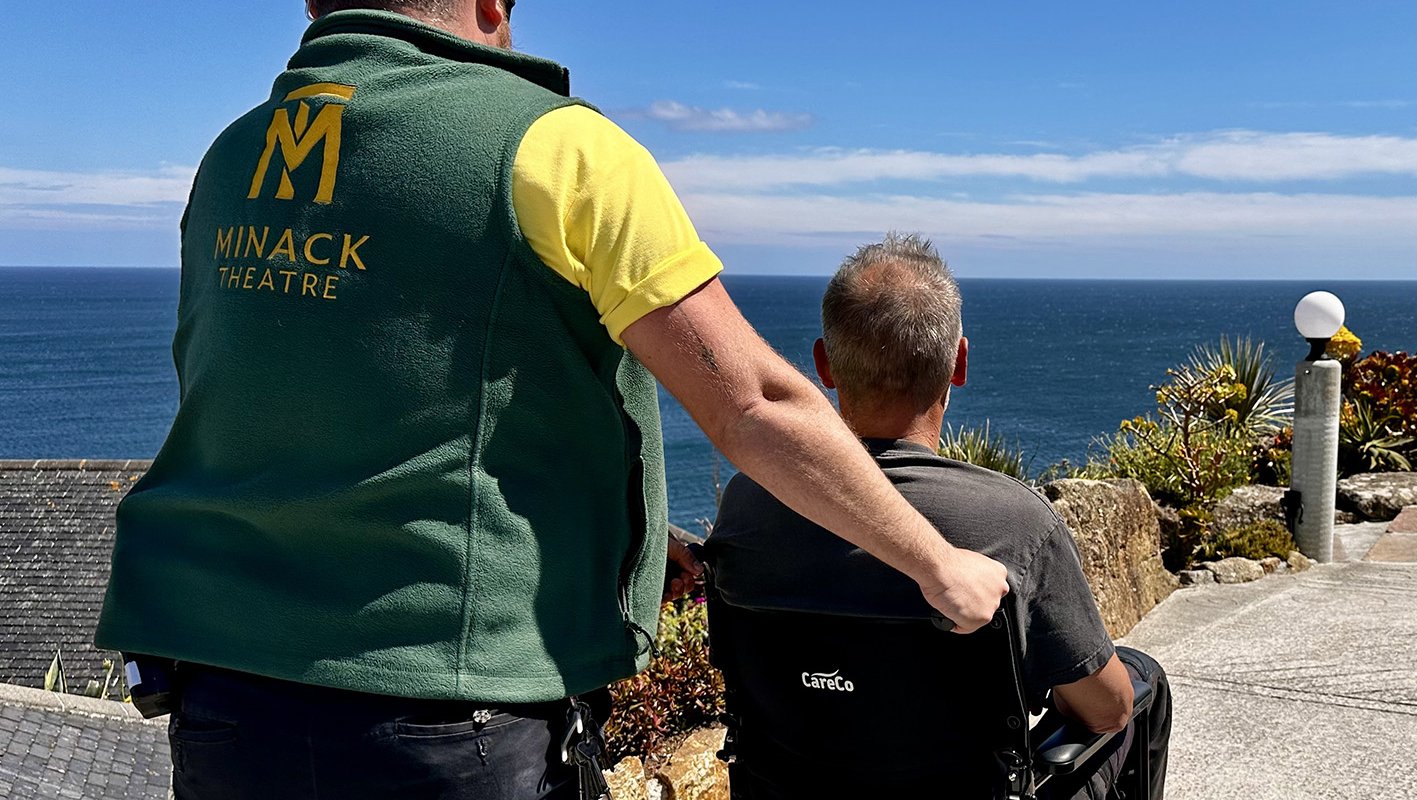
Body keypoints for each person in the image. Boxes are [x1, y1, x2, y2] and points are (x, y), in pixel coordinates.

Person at [92, 3, 1007, 798]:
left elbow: (309, 408)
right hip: (447, 714)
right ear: (492, 2)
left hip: (226, 697)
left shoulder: (232, 156)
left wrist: (615, 536)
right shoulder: (552, 145)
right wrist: (937, 564)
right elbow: (752, 404)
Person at [704, 234, 1173, 799]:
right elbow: (1106, 710)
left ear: (823, 366)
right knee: (1140, 680)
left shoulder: (747, 504)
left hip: (784, 789)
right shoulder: (1014, 523)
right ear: (959, 363)